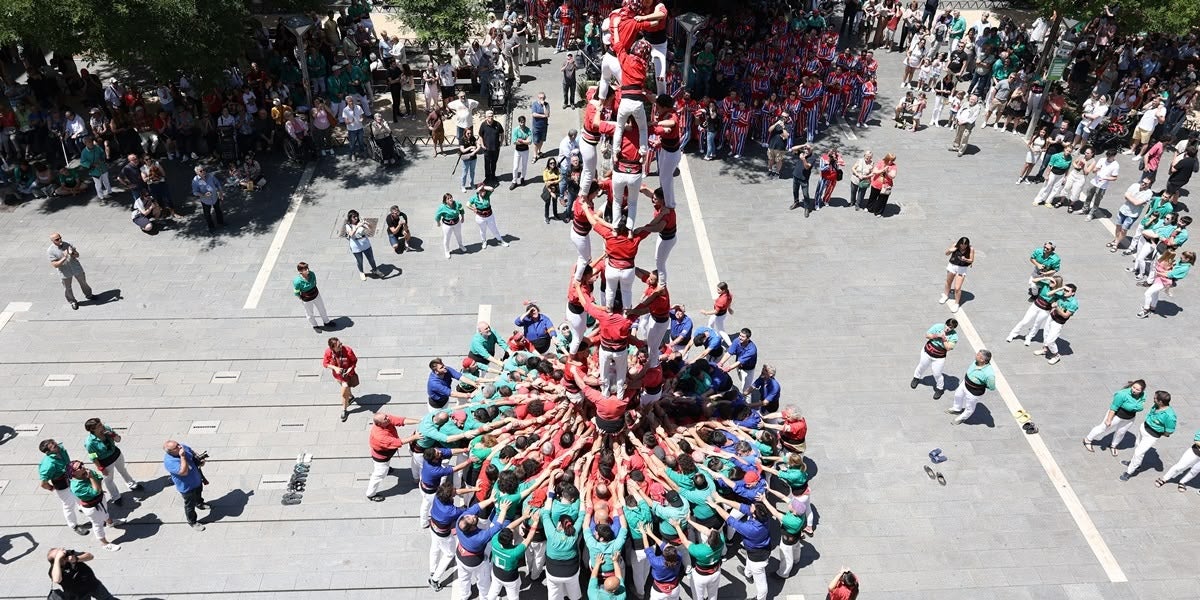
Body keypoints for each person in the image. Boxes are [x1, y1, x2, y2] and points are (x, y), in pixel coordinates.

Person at [83, 418, 141, 505]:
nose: (102, 426)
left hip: (116, 455)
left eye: (101, 423)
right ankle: (116, 496)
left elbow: (118, 440)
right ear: (92, 429)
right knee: (109, 480)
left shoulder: (107, 429)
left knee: (123, 470)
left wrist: (112, 434)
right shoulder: (90, 443)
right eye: (99, 426)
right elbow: (93, 457)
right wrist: (101, 468)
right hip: (106, 462)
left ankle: (132, 484)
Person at [1120, 390, 1176, 481]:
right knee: (1137, 446)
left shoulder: (1170, 416)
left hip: (1151, 436)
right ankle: (1135, 464)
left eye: (1155, 398)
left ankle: (1129, 472)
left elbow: (1169, 431)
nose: (1153, 399)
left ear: (1160, 401)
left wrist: (1160, 433)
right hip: (1144, 428)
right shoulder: (1156, 405)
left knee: (1139, 453)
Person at [366, 413, 420, 502]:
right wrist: (415, 437)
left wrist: (419, 421)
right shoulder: (380, 436)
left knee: (385, 467)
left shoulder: (385, 420)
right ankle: (370, 494)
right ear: (379, 424)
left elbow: (401, 420)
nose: (388, 418)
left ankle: (386, 469)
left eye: (386, 416)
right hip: (382, 457)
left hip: (386, 453)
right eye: (385, 418)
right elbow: (399, 442)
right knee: (379, 474)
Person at [66, 463, 121, 551]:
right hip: (92, 507)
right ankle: (105, 543)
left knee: (105, 512)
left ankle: (110, 523)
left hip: (100, 499)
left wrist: (95, 482)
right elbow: (96, 491)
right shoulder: (76, 487)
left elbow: (99, 478)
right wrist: (91, 478)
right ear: (73, 473)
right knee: (97, 524)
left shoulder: (87, 472)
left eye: (82, 464)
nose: (83, 467)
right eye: (79, 467)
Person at [39, 439, 89, 535]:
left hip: (71, 477)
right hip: (62, 484)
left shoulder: (60, 449)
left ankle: (83, 507)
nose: (57, 445)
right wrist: (51, 488)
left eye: (55, 443)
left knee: (79, 495)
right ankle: (74, 525)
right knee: (68, 505)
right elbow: (43, 483)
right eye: (54, 446)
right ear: (48, 452)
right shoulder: (48, 464)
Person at [1084, 381, 1147, 455]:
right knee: (1103, 428)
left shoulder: (1143, 395)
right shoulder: (1122, 394)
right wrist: (1109, 420)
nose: (1134, 390)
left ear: (1142, 390)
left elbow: (1142, 403)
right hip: (1117, 416)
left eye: (1137, 390)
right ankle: (1087, 440)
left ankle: (1113, 445)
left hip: (1129, 418)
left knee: (1121, 432)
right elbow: (1113, 407)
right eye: (1133, 387)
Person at [162, 440, 208, 531]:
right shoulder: (169, 462)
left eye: (178, 444)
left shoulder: (182, 447)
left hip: (196, 479)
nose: (180, 447)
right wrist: (182, 456)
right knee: (189, 505)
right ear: (171, 451)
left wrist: (199, 458)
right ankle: (192, 522)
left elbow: (191, 451)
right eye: (176, 447)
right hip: (186, 486)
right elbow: (184, 472)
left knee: (199, 493)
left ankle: (200, 503)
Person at [911, 318, 958, 399]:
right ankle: (916, 378)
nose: (948, 328)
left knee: (937, 373)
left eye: (951, 328)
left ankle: (940, 389)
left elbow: (948, 348)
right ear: (945, 324)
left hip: (939, 357)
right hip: (927, 352)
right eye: (947, 326)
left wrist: (943, 339)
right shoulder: (938, 326)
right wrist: (937, 335)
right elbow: (927, 335)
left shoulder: (954, 336)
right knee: (922, 366)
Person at [1139, 251, 1194, 318]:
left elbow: (1169, 274)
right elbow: (1172, 266)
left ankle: (1146, 310)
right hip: (1162, 279)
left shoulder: (1184, 268)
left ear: (1187, 259)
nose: (1180, 258)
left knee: (1147, 293)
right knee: (1155, 293)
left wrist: (1158, 272)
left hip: (1166, 281)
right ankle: (1152, 308)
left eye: (1182, 257)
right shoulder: (1182, 262)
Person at [48, 233, 96, 311]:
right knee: (67, 287)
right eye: (57, 239)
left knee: (83, 282)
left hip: (75, 267)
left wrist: (73, 253)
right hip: (64, 271)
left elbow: (77, 255)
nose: (60, 240)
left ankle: (89, 295)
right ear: (53, 241)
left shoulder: (67, 244)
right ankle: (72, 301)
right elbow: (55, 265)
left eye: (60, 238)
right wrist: (64, 257)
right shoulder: (51, 251)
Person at [947, 350, 995, 425]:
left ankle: (962, 418)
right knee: (958, 395)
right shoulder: (976, 362)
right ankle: (957, 408)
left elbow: (991, 386)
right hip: (964, 383)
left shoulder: (989, 373)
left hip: (974, 392)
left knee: (969, 407)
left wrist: (980, 385)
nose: (976, 355)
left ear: (982, 360)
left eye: (978, 355)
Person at [48, 547, 116, 600]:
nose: (65, 554)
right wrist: (57, 558)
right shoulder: (54, 570)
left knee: (107, 598)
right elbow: (57, 579)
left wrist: (76, 559)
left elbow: (90, 556)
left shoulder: (70, 554)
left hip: (93, 584)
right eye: (62, 556)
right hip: (78, 595)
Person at [1035, 283, 1078, 365]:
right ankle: (1045, 349)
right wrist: (1060, 288)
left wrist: (1056, 307)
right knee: (1046, 334)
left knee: (1050, 340)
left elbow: (1065, 315)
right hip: (1051, 317)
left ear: (1073, 293)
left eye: (1067, 291)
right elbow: (1048, 293)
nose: (1065, 292)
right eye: (1064, 290)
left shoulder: (1073, 303)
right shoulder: (1062, 294)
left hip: (1058, 322)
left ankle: (1056, 355)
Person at [1110, 178, 1154, 252]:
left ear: (1150, 185)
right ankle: (1116, 240)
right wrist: (1133, 200)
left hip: (1133, 214)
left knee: (1124, 230)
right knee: (1118, 226)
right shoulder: (1134, 185)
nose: (1143, 184)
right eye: (1142, 182)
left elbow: (1136, 203)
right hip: (1123, 210)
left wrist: (1130, 198)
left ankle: (1116, 244)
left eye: (1145, 183)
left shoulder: (1149, 193)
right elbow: (1126, 196)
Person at [323, 337, 360, 422]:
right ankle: (351, 397)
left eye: (341, 343)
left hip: (347, 376)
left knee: (344, 393)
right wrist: (334, 368)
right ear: (333, 348)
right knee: (347, 391)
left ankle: (344, 410)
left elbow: (354, 361)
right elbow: (325, 363)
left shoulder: (347, 350)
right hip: (337, 376)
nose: (341, 346)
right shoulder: (328, 352)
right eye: (339, 345)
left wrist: (351, 368)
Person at [467, 184, 510, 248]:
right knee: (482, 230)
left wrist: (483, 187)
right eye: (481, 191)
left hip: (489, 216)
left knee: (494, 229)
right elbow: (467, 204)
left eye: (484, 191)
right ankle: (484, 241)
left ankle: (500, 241)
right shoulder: (475, 197)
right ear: (479, 191)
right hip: (480, 217)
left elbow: (492, 189)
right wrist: (473, 209)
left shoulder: (487, 194)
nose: (483, 192)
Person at [294, 262, 332, 331]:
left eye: (307, 268)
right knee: (309, 313)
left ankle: (326, 322)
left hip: (316, 295)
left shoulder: (312, 274)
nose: (307, 270)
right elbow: (296, 292)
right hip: (306, 299)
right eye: (305, 269)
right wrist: (301, 298)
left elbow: (314, 283)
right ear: (300, 271)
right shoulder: (297, 281)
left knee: (322, 309)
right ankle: (315, 325)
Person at [941, 236, 974, 312]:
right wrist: (951, 250)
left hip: (962, 268)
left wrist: (966, 259)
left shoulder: (970, 249)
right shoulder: (955, 245)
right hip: (952, 266)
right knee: (948, 282)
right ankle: (945, 295)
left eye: (965, 245)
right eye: (961, 244)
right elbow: (946, 253)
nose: (963, 246)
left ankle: (956, 304)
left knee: (957, 287)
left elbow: (971, 260)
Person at [344, 209, 379, 280]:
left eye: (356, 216)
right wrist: (357, 226)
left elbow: (371, 229)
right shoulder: (348, 225)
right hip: (356, 247)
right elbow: (351, 234)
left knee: (371, 259)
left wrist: (367, 223)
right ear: (350, 218)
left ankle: (375, 270)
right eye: (354, 217)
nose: (356, 218)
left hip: (366, 245)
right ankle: (362, 272)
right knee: (360, 261)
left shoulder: (360, 223)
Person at [190, 165, 225, 232]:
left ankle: (221, 223)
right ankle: (211, 227)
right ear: (197, 173)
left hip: (215, 197)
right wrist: (203, 195)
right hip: (205, 200)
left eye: (204, 170)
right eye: (201, 171)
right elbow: (195, 192)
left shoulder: (210, 176)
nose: (203, 171)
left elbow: (217, 183)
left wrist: (220, 192)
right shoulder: (195, 181)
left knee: (218, 210)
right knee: (207, 214)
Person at [865, 152, 898, 217]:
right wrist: (883, 170)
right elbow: (875, 171)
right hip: (876, 184)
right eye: (889, 160)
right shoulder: (881, 162)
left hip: (886, 186)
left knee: (882, 200)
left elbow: (893, 176)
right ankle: (869, 208)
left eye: (892, 160)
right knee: (873, 197)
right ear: (886, 159)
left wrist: (887, 172)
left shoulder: (893, 166)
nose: (890, 162)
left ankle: (878, 212)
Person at [435, 193, 466, 259]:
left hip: (457, 223)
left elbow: (461, 210)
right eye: (448, 198)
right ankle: (447, 251)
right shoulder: (442, 207)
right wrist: (438, 222)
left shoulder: (457, 203)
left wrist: (462, 217)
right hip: (447, 225)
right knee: (447, 238)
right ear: (445, 201)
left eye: (451, 197)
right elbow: (437, 215)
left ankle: (460, 245)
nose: (450, 199)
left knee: (459, 235)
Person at [478, 110, 504, 185]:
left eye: (492, 116)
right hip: (487, 148)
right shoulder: (483, 125)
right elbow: (480, 135)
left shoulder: (497, 124)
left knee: (494, 163)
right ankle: (487, 177)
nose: (491, 118)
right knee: (487, 163)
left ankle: (493, 176)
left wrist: (501, 143)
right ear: (486, 117)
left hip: (495, 148)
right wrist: (482, 145)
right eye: (489, 116)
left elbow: (502, 134)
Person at [789, 143, 814, 213]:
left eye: (808, 149)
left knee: (805, 194)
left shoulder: (812, 157)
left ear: (811, 150)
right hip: (796, 176)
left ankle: (807, 208)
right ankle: (796, 202)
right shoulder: (802, 152)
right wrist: (803, 145)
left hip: (804, 179)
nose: (806, 150)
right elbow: (793, 148)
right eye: (805, 149)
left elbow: (807, 167)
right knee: (795, 191)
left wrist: (803, 159)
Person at [510, 115, 531, 189]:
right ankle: (514, 181)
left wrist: (521, 140)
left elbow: (530, 141)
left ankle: (522, 178)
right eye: (521, 122)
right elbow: (514, 142)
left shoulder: (528, 130)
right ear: (519, 122)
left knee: (524, 166)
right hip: (518, 151)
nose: (522, 123)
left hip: (525, 150)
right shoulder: (516, 130)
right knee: (515, 167)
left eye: (523, 122)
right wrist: (525, 141)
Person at [530, 92, 550, 158]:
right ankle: (534, 155)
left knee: (542, 140)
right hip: (536, 126)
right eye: (541, 98)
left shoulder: (546, 105)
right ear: (538, 98)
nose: (542, 99)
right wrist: (543, 116)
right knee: (536, 141)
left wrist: (543, 106)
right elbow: (534, 114)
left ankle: (539, 151)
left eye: (543, 98)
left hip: (544, 126)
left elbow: (547, 114)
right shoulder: (534, 104)